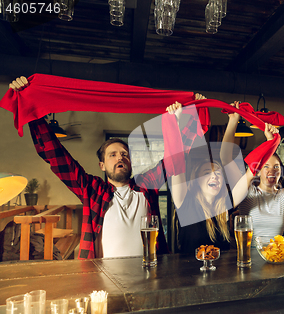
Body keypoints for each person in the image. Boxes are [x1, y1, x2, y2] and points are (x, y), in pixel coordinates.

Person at [8, 76, 202, 259]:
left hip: (149, 276)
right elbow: (57, 158)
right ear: (102, 164)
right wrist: (30, 106)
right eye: (113, 154)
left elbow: (173, 160)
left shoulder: (146, 185)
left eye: (125, 154)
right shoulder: (92, 190)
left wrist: (190, 118)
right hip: (103, 280)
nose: (120, 157)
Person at [226, 103, 284, 238]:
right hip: (247, 258)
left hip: (277, 256)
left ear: (281, 171)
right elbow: (227, 159)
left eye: (276, 167)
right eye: (266, 166)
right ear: (257, 171)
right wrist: (233, 121)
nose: (271, 171)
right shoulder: (248, 193)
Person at [166, 101, 233, 254]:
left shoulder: (224, 207)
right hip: (189, 277)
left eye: (218, 173)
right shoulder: (185, 201)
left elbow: (226, 158)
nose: (214, 176)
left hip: (223, 277)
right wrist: (175, 122)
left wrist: (233, 120)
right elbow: (177, 164)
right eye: (206, 173)